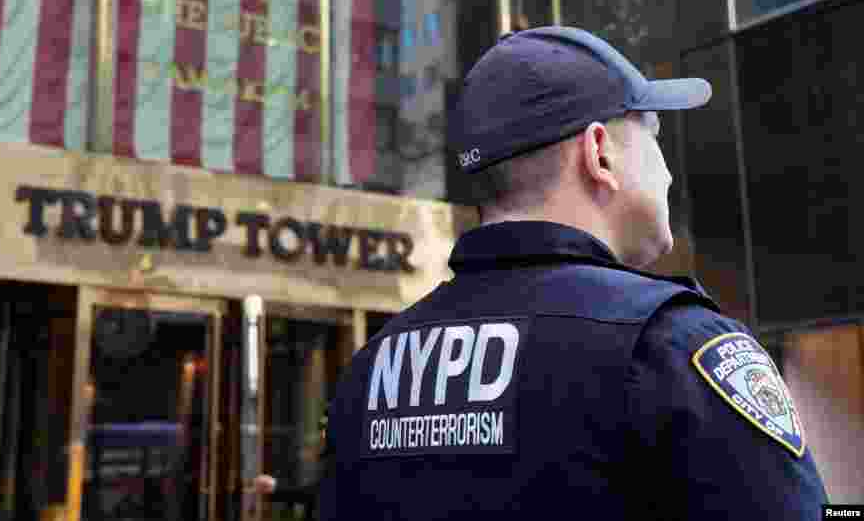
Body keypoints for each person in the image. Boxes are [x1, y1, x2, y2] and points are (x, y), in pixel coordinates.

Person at [317, 27, 828, 520]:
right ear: (599, 151)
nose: (668, 171)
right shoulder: (671, 345)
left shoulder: (372, 369)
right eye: (654, 136)